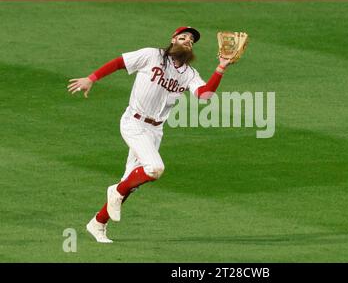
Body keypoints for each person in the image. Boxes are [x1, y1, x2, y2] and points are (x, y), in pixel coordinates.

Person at [67, 26, 231, 243]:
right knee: (155, 168)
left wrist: (221, 67)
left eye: (191, 40)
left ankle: (98, 223)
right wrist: (92, 78)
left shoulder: (190, 74)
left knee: (131, 183)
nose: (187, 41)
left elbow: (204, 95)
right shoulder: (152, 55)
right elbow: (119, 63)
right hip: (133, 123)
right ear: (173, 40)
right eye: (183, 37)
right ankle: (115, 190)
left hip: (155, 130)